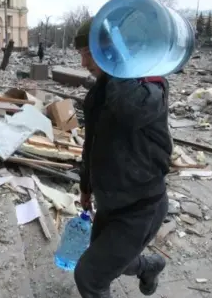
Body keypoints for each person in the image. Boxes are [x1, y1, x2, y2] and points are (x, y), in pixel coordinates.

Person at [72, 18, 172, 298]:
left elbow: (131, 111)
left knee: (90, 276)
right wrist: (86, 186)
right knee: (113, 259)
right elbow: (91, 144)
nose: (83, 64)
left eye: (88, 53)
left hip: (142, 208)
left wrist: (118, 62)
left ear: (111, 49)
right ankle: (149, 266)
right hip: (110, 203)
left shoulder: (151, 85)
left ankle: (146, 265)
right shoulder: (99, 92)